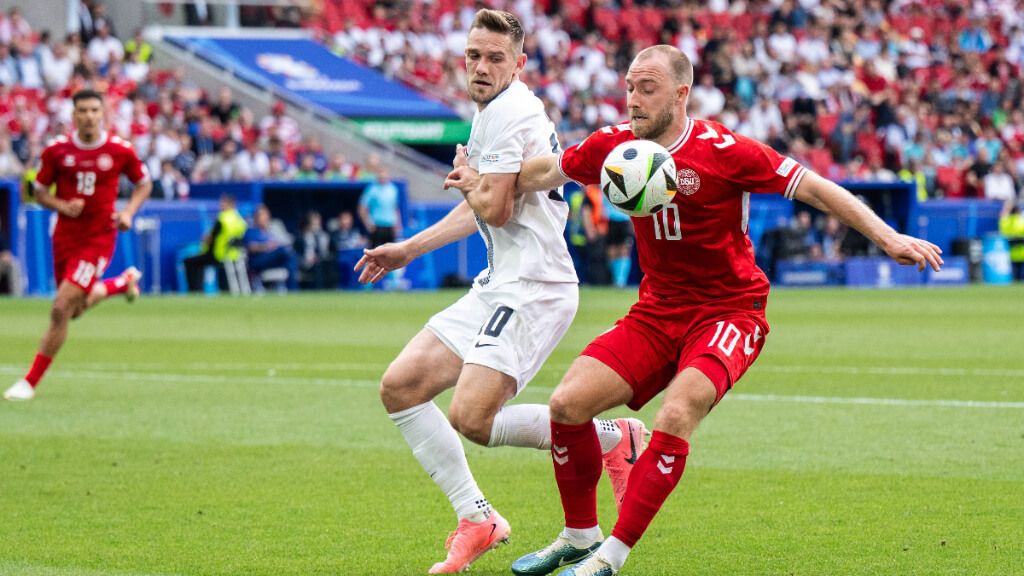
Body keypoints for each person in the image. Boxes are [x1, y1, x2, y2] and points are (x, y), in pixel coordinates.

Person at [445, 44, 943, 576]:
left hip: (730, 311)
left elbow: (816, 189)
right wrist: (485, 178)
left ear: (682, 94)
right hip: (658, 312)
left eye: (647, 89)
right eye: (630, 88)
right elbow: (546, 170)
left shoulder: (725, 150)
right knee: (568, 404)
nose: (632, 100)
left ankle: (610, 558)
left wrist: (887, 236)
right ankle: (578, 536)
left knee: (677, 413)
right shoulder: (614, 146)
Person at [354, 10, 648, 574]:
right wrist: (408, 249)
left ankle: (611, 435)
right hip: (500, 282)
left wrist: (469, 182)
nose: (482, 67)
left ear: (519, 63)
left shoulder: (512, 112)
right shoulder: (490, 109)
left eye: (495, 58)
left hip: (535, 285)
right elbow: (482, 204)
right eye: (474, 56)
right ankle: (477, 518)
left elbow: (496, 205)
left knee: (473, 417)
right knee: (401, 388)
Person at [4, 89, 152, 402]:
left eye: (94, 110)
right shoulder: (57, 151)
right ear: (73, 115)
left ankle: (29, 382)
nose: (88, 116)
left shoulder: (119, 150)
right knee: (74, 311)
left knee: (60, 306)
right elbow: (38, 191)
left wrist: (127, 212)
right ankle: (121, 283)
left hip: (98, 238)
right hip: (64, 237)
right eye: (82, 110)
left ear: (103, 114)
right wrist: (60, 205)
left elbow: (144, 182)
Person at [183, 194, 247, 292]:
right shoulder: (240, 220)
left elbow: (210, 238)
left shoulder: (223, 218)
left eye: (223, 203)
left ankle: (196, 290)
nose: (220, 205)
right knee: (198, 262)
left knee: (190, 262)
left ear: (230, 204)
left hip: (219, 254)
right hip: (236, 255)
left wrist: (205, 240)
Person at [244, 204, 297, 291]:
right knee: (284, 251)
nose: (264, 218)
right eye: (261, 215)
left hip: (274, 259)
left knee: (291, 257)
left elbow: (287, 241)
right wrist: (267, 246)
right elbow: (251, 247)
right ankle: (293, 288)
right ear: (256, 217)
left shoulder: (273, 229)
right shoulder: (251, 230)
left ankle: (293, 290)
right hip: (258, 260)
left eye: (265, 215)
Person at [293, 211, 333, 289]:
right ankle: (319, 290)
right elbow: (296, 253)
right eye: (314, 223)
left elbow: (328, 251)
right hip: (305, 263)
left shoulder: (324, 236)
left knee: (327, 264)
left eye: (318, 223)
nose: (316, 226)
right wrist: (306, 259)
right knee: (318, 266)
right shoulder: (301, 237)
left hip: (322, 261)